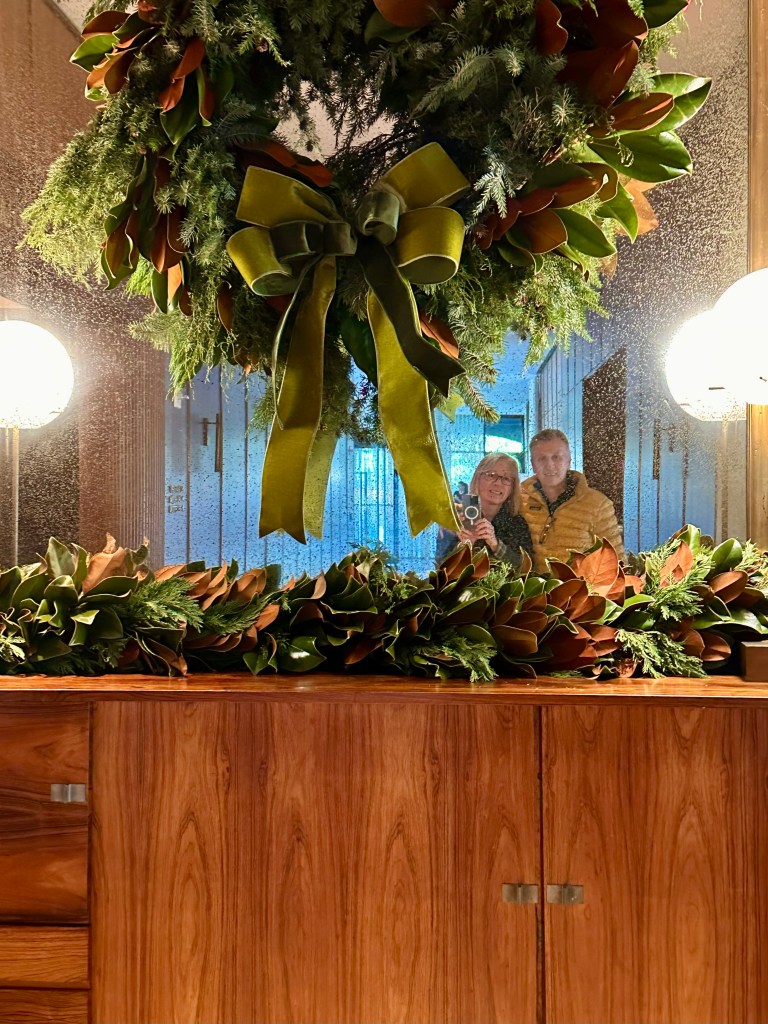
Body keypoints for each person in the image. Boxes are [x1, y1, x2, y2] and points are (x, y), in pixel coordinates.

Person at [520, 428, 625, 570]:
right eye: (542, 458)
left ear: (568, 461)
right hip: (532, 590)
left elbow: (616, 562)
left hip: (580, 590)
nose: (549, 465)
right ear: (533, 464)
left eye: (556, 457)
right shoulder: (519, 500)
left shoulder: (597, 504)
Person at [436, 453, 533, 566]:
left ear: (512, 487)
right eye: (491, 475)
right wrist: (466, 546)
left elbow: (526, 568)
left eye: (506, 478)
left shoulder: (517, 522)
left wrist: (495, 545)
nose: (498, 483)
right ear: (478, 478)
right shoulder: (456, 518)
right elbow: (441, 568)